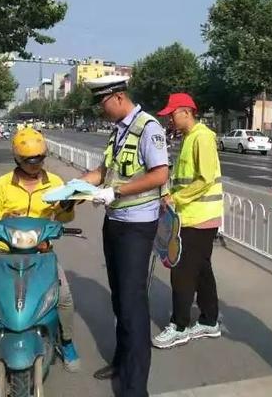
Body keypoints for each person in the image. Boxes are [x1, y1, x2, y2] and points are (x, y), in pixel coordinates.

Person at [79, 76, 169, 397]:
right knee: (118, 298)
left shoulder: (149, 128)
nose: (102, 110)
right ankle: (121, 361)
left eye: (103, 103)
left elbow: (160, 174)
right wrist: (78, 186)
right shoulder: (118, 130)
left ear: (117, 97)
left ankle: (135, 387)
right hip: (114, 221)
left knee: (133, 305)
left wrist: (114, 191)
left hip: (136, 226)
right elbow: (104, 170)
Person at [0, 128, 81, 372]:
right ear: (18, 159)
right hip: (4, 252)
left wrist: (67, 206)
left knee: (63, 297)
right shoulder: (3, 184)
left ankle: (66, 342)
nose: (35, 165)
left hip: (41, 253)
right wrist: (0, 216)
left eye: (39, 159)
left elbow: (65, 218)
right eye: (29, 160)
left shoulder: (55, 182)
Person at [152, 93, 223, 349]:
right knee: (202, 269)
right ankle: (209, 320)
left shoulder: (201, 137)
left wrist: (176, 199)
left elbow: (204, 179)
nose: (170, 118)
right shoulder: (190, 137)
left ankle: (179, 325)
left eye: (172, 113)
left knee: (181, 271)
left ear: (186, 111)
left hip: (198, 216)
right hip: (195, 215)